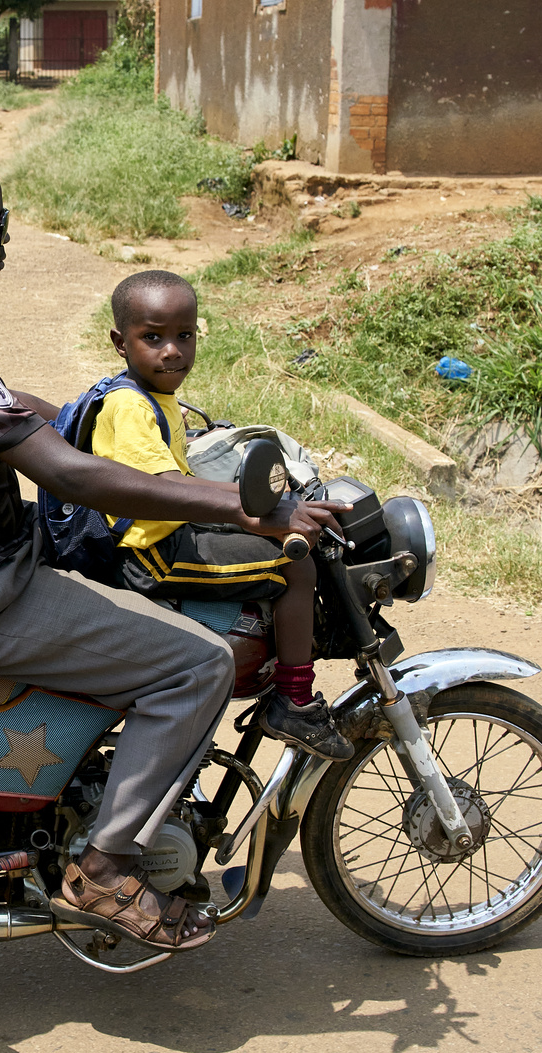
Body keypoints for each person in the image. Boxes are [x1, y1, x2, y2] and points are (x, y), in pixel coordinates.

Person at [0, 148, 352, 952]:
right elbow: (72, 477)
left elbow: (7, 412)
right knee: (200, 662)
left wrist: (107, 412)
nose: (8, 239)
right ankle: (107, 868)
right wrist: (249, 506)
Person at [90, 271, 353, 760]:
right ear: (119, 342)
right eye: (153, 337)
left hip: (161, 535)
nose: (172, 350)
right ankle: (294, 700)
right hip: (153, 555)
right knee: (297, 564)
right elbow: (163, 486)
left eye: (183, 336)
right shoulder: (129, 407)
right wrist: (255, 507)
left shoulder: (149, 396)